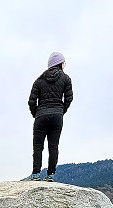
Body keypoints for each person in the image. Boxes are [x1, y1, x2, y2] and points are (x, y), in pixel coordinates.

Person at [27, 51, 73, 182]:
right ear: (59, 64)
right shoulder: (66, 79)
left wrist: (35, 113)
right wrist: (61, 111)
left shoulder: (39, 80)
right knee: (53, 146)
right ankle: (50, 175)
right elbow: (69, 98)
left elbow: (31, 101)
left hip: (41, 116)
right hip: (57, 117)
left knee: (37, 146)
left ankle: (36, 175)